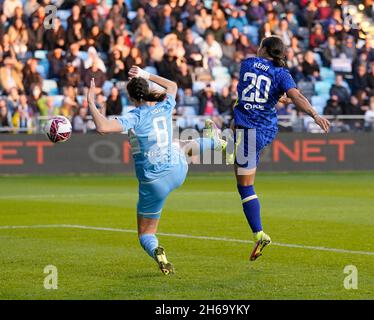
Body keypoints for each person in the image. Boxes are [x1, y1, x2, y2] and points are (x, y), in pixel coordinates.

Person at [86, 66, 223, 275]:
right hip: (176, 172)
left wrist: (90, 103)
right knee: (182, 145)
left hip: (153, 183)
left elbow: (103, 127)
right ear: (147, 90)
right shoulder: (164, 106)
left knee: (145, 233)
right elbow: (173, 85)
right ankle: (214, 141)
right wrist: (145, 74)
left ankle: (158, 253)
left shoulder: (134, 117)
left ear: (131, 98)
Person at [205, 36, 330, 261]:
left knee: (244, 184)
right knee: (243, 178)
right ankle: (259, 233)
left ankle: (223, 143)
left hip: (247, 130)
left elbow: (254, 90)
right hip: (264, 130)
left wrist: (280, 98)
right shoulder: (281, 74)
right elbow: (295, 95)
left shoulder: (247, 63)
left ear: (263, 49)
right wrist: (314, 114)